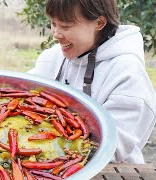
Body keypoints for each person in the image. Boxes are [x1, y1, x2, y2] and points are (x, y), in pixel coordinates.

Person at [28, 0, 156, 163]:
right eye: (54, 23)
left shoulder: (127, 72)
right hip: (50, 162)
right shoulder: (53, 57)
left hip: (111, 170)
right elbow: (22, 94)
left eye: (66, 26)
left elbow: (113, 145)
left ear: (99, 22)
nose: (56, 34)